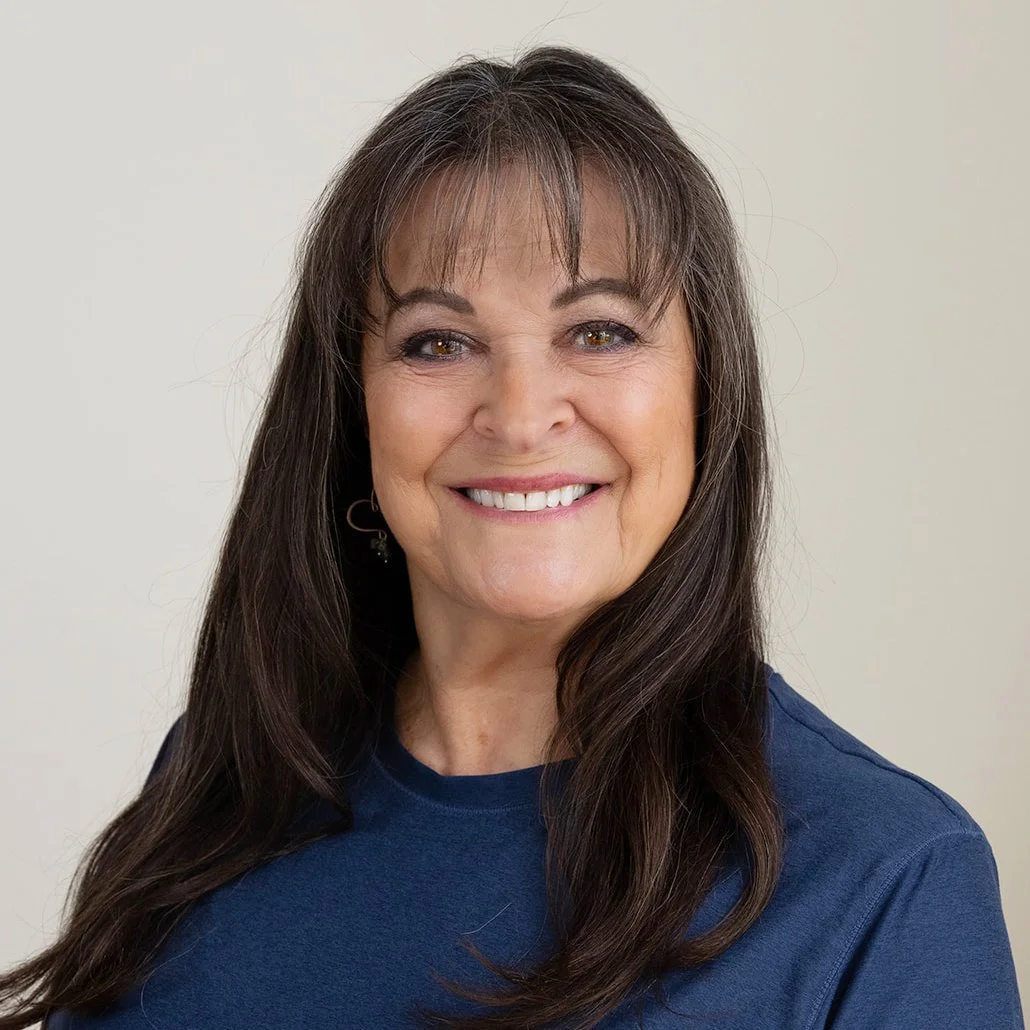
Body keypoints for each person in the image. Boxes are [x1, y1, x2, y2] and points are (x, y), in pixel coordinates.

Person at [1, 45, 1022, 1030]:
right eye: (437, 343)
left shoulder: (881, 878)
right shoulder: (224, 790)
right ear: (352, 411)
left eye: (601, 330)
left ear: (705, 394)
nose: (521, 412)